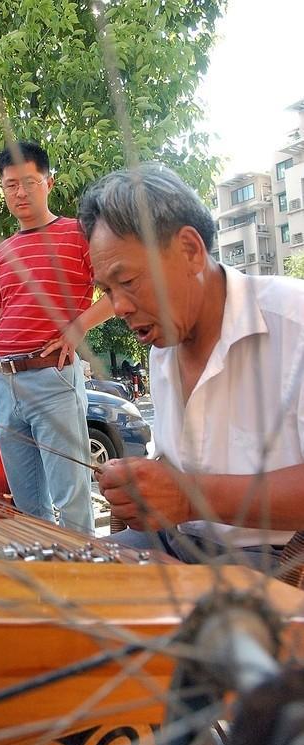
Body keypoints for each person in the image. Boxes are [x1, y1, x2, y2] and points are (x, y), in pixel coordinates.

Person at [78, 162, 304, 570]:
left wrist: (187, 497)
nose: (119, 307)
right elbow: (178, 471)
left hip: (279, 561)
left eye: (127, 281)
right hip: (176, 543)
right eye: (107, 291)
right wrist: (141, 486)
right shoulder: (162, 348)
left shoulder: (294, 322)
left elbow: (187, 492)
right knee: (65, 579)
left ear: (190, 250)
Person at [0, 141, 113, 534]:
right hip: (5, 385)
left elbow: (119, 292)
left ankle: (85, 588)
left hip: (53, 380)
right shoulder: (2, 251)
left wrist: (78, 328)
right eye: (10, 185)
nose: (20, 193)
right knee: (28, 509)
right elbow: (0, 314)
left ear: (49, 182)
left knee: (72, 503)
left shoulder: (79, 235)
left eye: (29, 182)